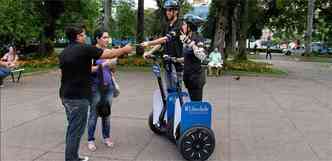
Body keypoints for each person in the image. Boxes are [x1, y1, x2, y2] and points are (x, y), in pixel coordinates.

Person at [59, 24, 133, 161]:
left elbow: (63, 74)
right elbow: (109, 54)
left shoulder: (64, 52)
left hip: (65, 96)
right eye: (83, 34)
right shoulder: (84, 49)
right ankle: (71, 159)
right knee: (75, 131)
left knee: (72, 129)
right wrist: (125, 49)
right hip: (78, 98)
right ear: (77, 36)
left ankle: (73, 156)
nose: (86, 37)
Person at [141, 0, 184, 92]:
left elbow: (166, 38)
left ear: (176, 11)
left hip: (177, 65)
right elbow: (161, 43)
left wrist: (148, 43)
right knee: (169, 91)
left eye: (169, 10)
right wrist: (150, 52)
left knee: (177, 93)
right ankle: (169, 106)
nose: (167, 12)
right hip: (167, 64)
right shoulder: (167, 25)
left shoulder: (180, 24)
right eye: (166, 10)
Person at [87, 28, 118, 151]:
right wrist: (104, 64)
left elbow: (112, 71)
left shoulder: (108, 51)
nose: (107, 39)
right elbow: (89, 69)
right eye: (104, 37)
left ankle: (106, 137)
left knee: (106, 113)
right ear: (97, 39)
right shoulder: (91, 52)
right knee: (94, 114)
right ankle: (90, 139)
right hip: (95, 87)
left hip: (108, 87)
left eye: (108, 37)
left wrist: (113, 64)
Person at [180, 14, 207, 101]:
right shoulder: (187, 38)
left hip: (196, 78)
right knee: (191, 103)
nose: (182, 26)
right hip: (188, 77)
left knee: (196, 106)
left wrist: (190, 43)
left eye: (184, 24)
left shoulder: (198, 38)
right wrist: (174, 59)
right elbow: (188, 58)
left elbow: (201, 56)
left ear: (190, 26)